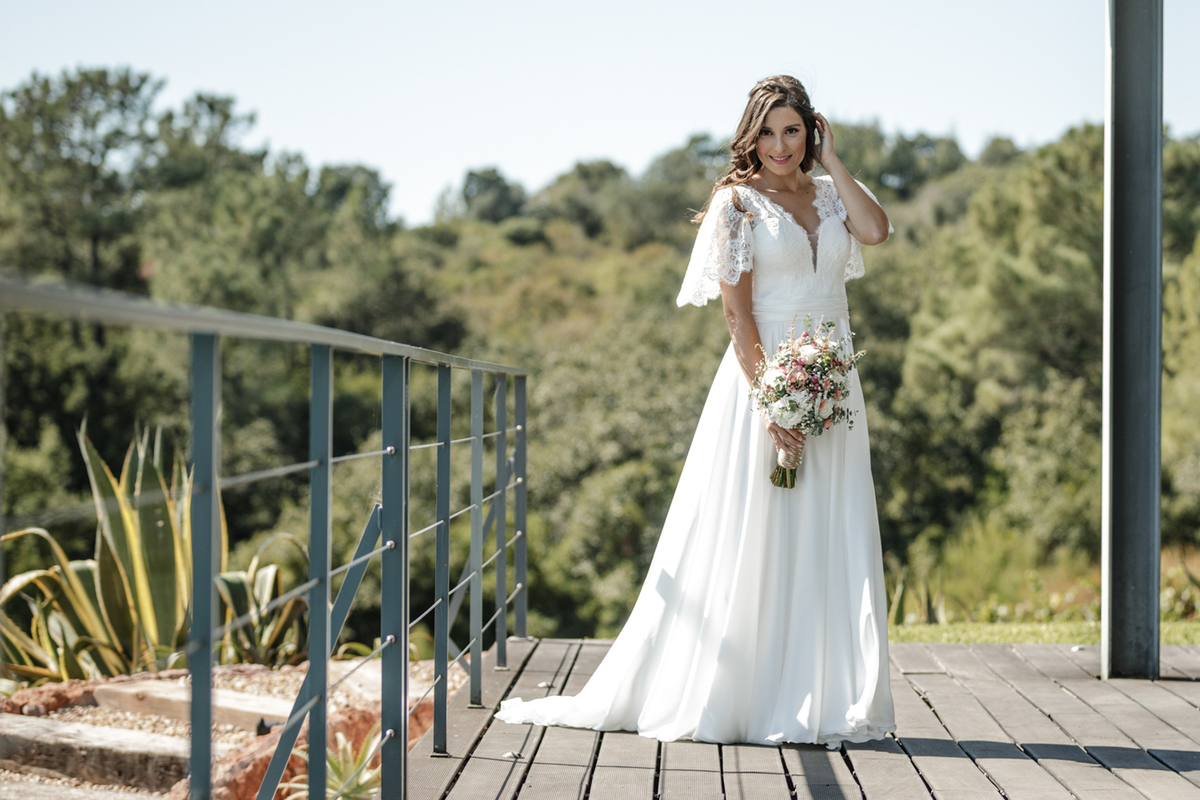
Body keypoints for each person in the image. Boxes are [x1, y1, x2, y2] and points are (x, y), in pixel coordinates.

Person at [496, 75, 895, 748]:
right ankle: (746, 695)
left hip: (833, 385)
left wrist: (832, 159)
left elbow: (878, 231)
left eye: (793, 131)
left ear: (812, 131)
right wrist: (772, 402)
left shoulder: (829, 195)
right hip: (763, 384)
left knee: (830, 529)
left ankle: (822, 696)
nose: (779, 146)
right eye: (766, 132)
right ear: (750, 135)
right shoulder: (737, 204)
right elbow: (738, 316)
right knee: (756, 533)